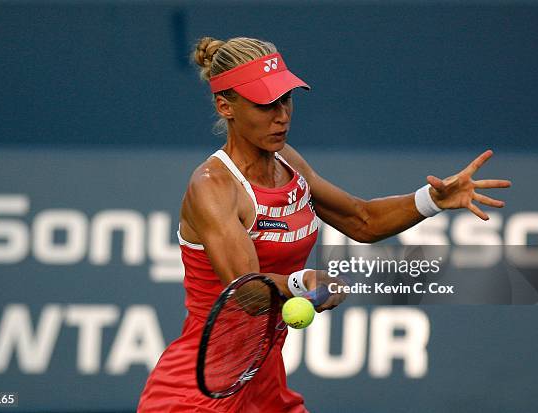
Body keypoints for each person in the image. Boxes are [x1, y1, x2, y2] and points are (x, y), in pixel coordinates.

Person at [137, 36, 511, 413]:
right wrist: (303, 281)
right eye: (265, 104)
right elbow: (247, 294)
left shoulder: (286, 162)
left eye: (286, 99)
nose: (281, 115)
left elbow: (362, 220)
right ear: (225, 106)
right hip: (194, 396)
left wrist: (432, 200)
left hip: (262, 384)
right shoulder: (213, 185)